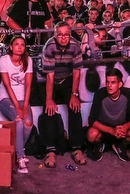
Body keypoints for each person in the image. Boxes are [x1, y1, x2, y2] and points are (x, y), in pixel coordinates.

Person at [38, 21, 86, 168]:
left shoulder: (75, 45)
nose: (64, 38)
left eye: (66, 35)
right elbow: (50, 76)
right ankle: (50, 150)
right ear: (55, 35)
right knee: (48, 110)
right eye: (60, 35)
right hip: (47, 79)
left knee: (75, 107)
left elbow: (77, 71)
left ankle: (76, 148)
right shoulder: (49, 46)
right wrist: (49, 99)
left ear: (70, 35)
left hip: (66, 78)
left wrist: (74, 94)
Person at [85, 67, 130, 162]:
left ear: (120, 84)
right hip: (104, 130)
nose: (109, 85)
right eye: (107, 82)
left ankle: (120, 145)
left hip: (121, 130)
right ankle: (102, 145)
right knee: (91, 135)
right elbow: (92, 120)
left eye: (113, 82)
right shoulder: (100, 94)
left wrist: (125, 127)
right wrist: (111, 130)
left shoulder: (127, 93)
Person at [0, 35, 33, 174]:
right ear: (10, 47)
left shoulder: (28, 60)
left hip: (23, 98)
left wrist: (25, 106)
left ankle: (15, 150)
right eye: (16, 44)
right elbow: (7, 85)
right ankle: (21, 157)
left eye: (22, 44)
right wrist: (18, 107)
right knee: (18, 120)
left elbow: (28, 85)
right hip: (6, 98)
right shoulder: (4, 60)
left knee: (28, 122)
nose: (19, 47)